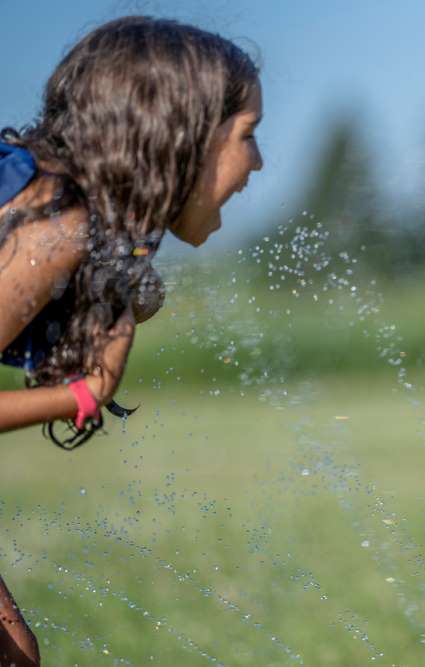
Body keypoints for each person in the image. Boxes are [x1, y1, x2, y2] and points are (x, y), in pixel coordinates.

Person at [0, 16, 264, 663]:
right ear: (182, 138)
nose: (259, 162)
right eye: (248, 136)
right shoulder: (54, 224)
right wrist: (86, 395)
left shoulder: (75, 226)